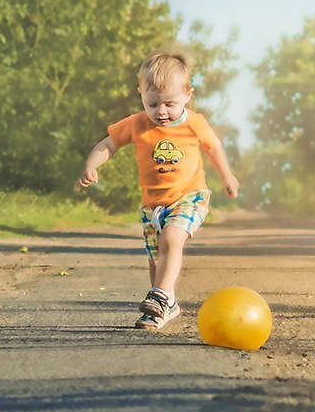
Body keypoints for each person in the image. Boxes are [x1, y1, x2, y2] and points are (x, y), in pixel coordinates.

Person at [79, 51, 240, 330]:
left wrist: (227, 176)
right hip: (152, 206)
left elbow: (214, 147)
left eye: (169, 103)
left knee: (172, 238)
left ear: (189, 94)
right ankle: (164, 307)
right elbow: (108, 144)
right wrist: (92, 165)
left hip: (190, 196)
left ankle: (161, 295)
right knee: (156, 259)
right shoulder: (136, 123)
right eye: (152, 104)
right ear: (141, 93)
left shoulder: (194, 123)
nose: (161, 111)